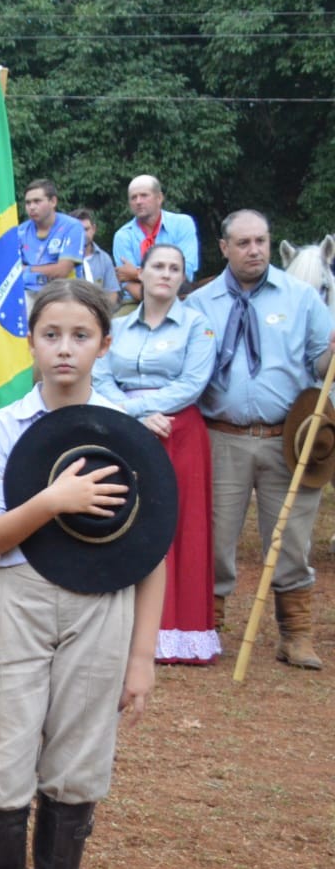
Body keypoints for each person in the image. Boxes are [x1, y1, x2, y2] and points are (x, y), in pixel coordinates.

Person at [0, 277, 164, 869]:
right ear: (31, 342)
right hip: (18, 599)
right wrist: (52, 499)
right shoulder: (0, 428)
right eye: (52, 335)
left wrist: (142, 656)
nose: (65, 349)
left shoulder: (128, 432)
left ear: (105, 343)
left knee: (76, 759)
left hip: (102, 609)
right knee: (4, 751)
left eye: (81, 335)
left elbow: (151, 548)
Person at [191, 210, 335, 669]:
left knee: (292, 537)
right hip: (221, 436)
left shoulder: (303, 298)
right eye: (245, 242)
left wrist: (331, 354)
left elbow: (319, 365)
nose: (255, 250)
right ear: (225, 248)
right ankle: (207, 627)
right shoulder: (200, 303)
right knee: (215, 535)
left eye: (262, 241)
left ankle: (295, 634)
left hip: (287, 437)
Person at [92, 244, 220, 664]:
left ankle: (180, 631)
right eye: (158, 266)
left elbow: (192, 383)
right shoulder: (118, 327)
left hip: (178, 431)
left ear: (183, 277)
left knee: (179, 525)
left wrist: (146, 410)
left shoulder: (198, 327)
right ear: (141, 274)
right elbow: (102, 374)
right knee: (126, 519)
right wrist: (134, 414)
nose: (165, 274)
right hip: (129, 431)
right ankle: (122, 626)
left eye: (174, 268)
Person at [113, 174, 201, 304]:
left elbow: (185, 274)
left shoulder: (182, 224)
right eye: (133, 198)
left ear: (159, 198)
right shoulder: (123, 236)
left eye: (144, 195)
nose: (138, 201)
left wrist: (137, 273)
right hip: (137, 302)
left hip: (180, 297)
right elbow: (127, 283)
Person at [16, 179, 84, 299]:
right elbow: (12, 271)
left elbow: (62, 271)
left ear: (53, 201)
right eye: (28, 203)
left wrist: (26, 270)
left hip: (64, 293)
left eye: (37, 201)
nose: (31, 207)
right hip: (27, 294)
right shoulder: (20, 231)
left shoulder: (72, 227)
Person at [72, 208, 119, 308]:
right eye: (78, 230)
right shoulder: (62, 260)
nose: (83, 234)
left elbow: (112, 293)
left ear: (93, 229)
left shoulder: (104, 259)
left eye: (86, 229)